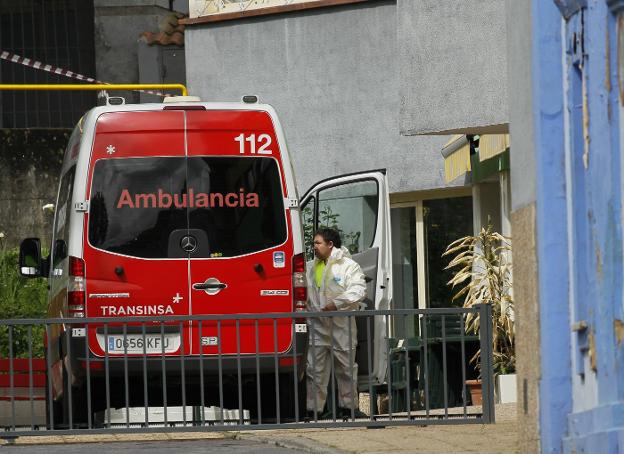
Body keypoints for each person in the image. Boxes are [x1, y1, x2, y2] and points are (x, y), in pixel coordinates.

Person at [306, 227, 367, 418]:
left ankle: (348, 408)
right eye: (314, 243)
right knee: (314, 370)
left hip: (342, 325)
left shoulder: (349, 266)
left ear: (330, 244)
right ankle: (314, 411)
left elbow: (358, 290)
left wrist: (336, 304)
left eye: (318, 243)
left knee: (346, 368)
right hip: (317, 325)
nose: (314, 247)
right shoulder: (310, 266)